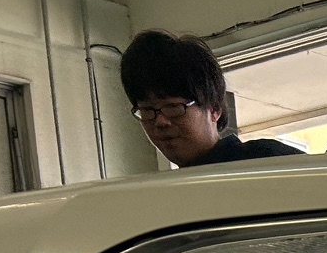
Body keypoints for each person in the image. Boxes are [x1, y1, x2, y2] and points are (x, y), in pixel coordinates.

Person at [120, 30, 301, 169]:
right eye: (147, 111)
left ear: (214, 109)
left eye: (173, 107)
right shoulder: (163, 193)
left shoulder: (266, 161)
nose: (160, 122)